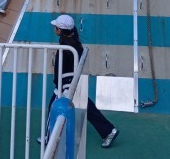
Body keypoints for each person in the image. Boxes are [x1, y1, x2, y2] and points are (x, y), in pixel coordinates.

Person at [40, 15, 119, 148]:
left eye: (56, 27)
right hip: (72, 81)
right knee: (89, 108)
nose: (54, 29)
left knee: (53, 107)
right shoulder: (74, 42)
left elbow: (62, 68)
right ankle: (109, 131)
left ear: (60, 30)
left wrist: (61, 84)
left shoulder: (66, 46)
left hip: (65, 84)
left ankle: (49, 138)